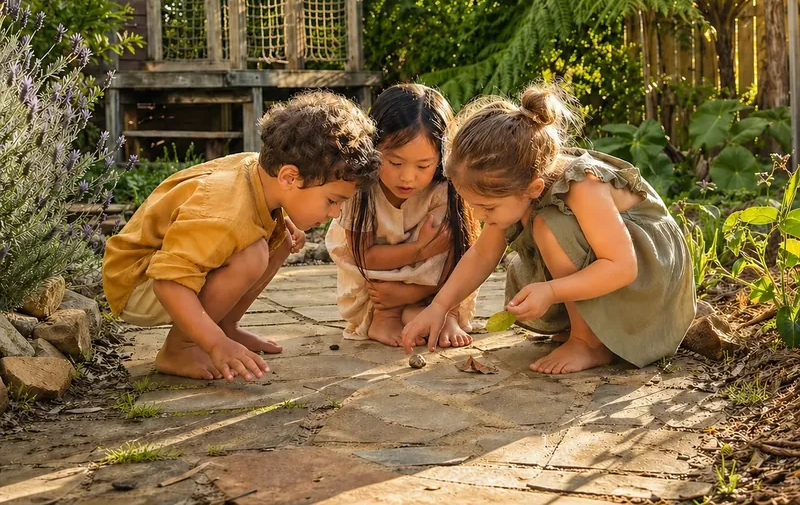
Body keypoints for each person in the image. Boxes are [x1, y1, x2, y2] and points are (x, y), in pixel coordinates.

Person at [402, 82, 696, 374]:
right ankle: (590, 329)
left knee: (547, 226)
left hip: (650, 277)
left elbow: (622, 266)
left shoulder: (583, 186)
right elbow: (482, 255)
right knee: (543, 231)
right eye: (475, 206)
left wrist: (552, 291)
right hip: (613, 271)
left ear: (534, 188)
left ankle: (588, 342)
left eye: (488, 208)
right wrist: (439, 307)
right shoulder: (521, 177)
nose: (479, 216)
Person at [103, 91, 380, 381]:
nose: (336, 213)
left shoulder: (260, 174)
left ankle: (225, 325)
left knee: (282, 237)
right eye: (332, 200)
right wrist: (215, 345)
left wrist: (282, 223)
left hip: (162, 272)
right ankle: (179, 349)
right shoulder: (225, 212)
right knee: (252, 254)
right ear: (289, 177)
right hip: (137, 283)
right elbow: (168, 283)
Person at [326, 84, 478, 348]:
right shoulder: (360, 187)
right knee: (428, 245)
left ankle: (441, 311)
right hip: (376, 291)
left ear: (442, 158)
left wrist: (413, 289)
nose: (408, 177)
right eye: (395, 162)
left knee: (451, 241)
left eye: (423, 165)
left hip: (433, 288)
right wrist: (419, 248)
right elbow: (365, 257)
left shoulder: (444, 189)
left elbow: (453, 254)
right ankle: (386, 316)